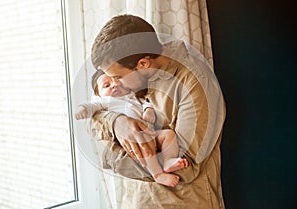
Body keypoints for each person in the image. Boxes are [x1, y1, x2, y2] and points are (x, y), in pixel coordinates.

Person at [90, 14, 226, 208]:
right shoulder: (136, 80)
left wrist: (109, 154)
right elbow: (100, 109)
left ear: (143, 64)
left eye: (118, 77)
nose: (115, 86)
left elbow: (185, 166)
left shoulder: (195, 84)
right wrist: (116, 122)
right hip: (137, 201)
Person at [75, 71, 188, 187]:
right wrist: (82, 109)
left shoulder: (133, 96)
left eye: (118, 82)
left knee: (168, 134)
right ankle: (158, 174)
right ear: (97, 94)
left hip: (151, 132)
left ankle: (168, 160)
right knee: (144, 145)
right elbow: (91, 107)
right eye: (107, 85)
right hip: (134, 139)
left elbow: (146, 103)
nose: (114, 85)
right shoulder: (104, 101)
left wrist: (148, 110)